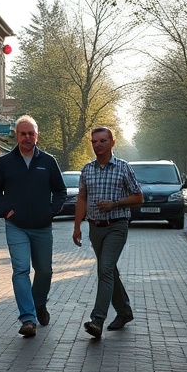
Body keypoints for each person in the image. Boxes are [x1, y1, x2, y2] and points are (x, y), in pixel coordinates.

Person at [0, 115, 67, 338]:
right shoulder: (5, 162)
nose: (27, 137)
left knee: (44, 271)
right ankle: (28, 318)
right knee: (21, 270)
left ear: (37, 136)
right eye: (23, 133)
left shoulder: (48, 162)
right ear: (16, 135)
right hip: (17, 226)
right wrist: (6, 211)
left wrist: (51, 211)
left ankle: (38, 303)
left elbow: (60, 191)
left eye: (31, 134)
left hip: (42, 226)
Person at [72, 125, 142, 339]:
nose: (98, 145)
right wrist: (77, 227)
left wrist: (115, 204)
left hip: (117, 226)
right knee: (109, 271)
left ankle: (97, 320)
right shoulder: (87, 169)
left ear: (112, 143)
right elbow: (82, 198)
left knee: (104, 269)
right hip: (95, 228)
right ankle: (124, 312)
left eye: (103, 141)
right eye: (94, 141)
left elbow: (138, 197)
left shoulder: (123, 167)